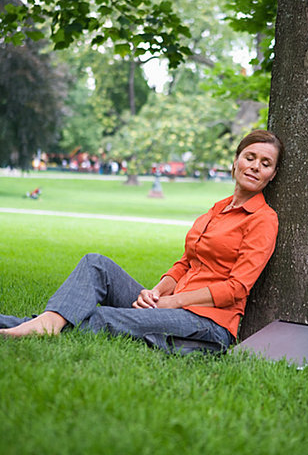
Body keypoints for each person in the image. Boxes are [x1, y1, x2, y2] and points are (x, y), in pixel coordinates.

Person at [0, 130, 284, 353]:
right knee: (95, 264)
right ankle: (45, 323)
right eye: (250, 157)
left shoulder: (263, 219)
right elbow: (186, 263)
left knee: (104, 318)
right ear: (235, 161)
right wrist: (156, 292)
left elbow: (236, 288)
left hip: (208, 322)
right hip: (172, 303)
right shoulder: (218, 208)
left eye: (266, 163)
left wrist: (173, 302)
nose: (255, 166)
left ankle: (37, 324)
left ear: (271, 176)